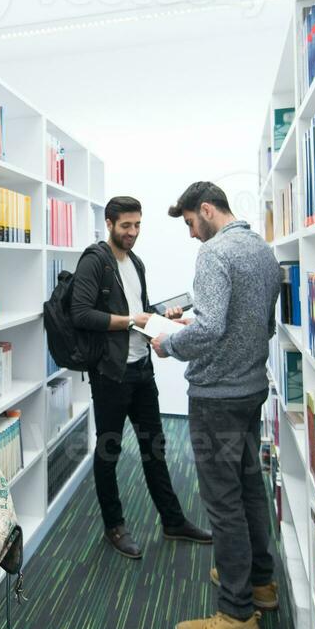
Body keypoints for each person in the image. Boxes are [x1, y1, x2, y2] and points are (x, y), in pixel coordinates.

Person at [150, 181, 282, 629]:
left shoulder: (214, 254)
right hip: (250, 389)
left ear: (206, 210)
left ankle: (235, 615)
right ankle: (259, 581)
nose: (189, 234)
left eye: (189, 223)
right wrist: (198, 322)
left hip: (216, 397)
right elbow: (259, 324)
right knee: (249, 489)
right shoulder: (263, 251)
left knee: (222, 504)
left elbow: (209, 328)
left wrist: (169, 342)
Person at [69, 195, 210, 559]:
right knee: (109, 451)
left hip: (141, 370)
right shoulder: (94, 261)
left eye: (137, 226)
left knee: (155, 448)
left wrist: (165, 317)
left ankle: (173, 520)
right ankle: (114, 526)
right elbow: (82, 315)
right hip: (111, 375)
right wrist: (134, 320)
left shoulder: (136, 263)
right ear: (110, 223)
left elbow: (139, 313)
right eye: (126, 226)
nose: (132, 233)